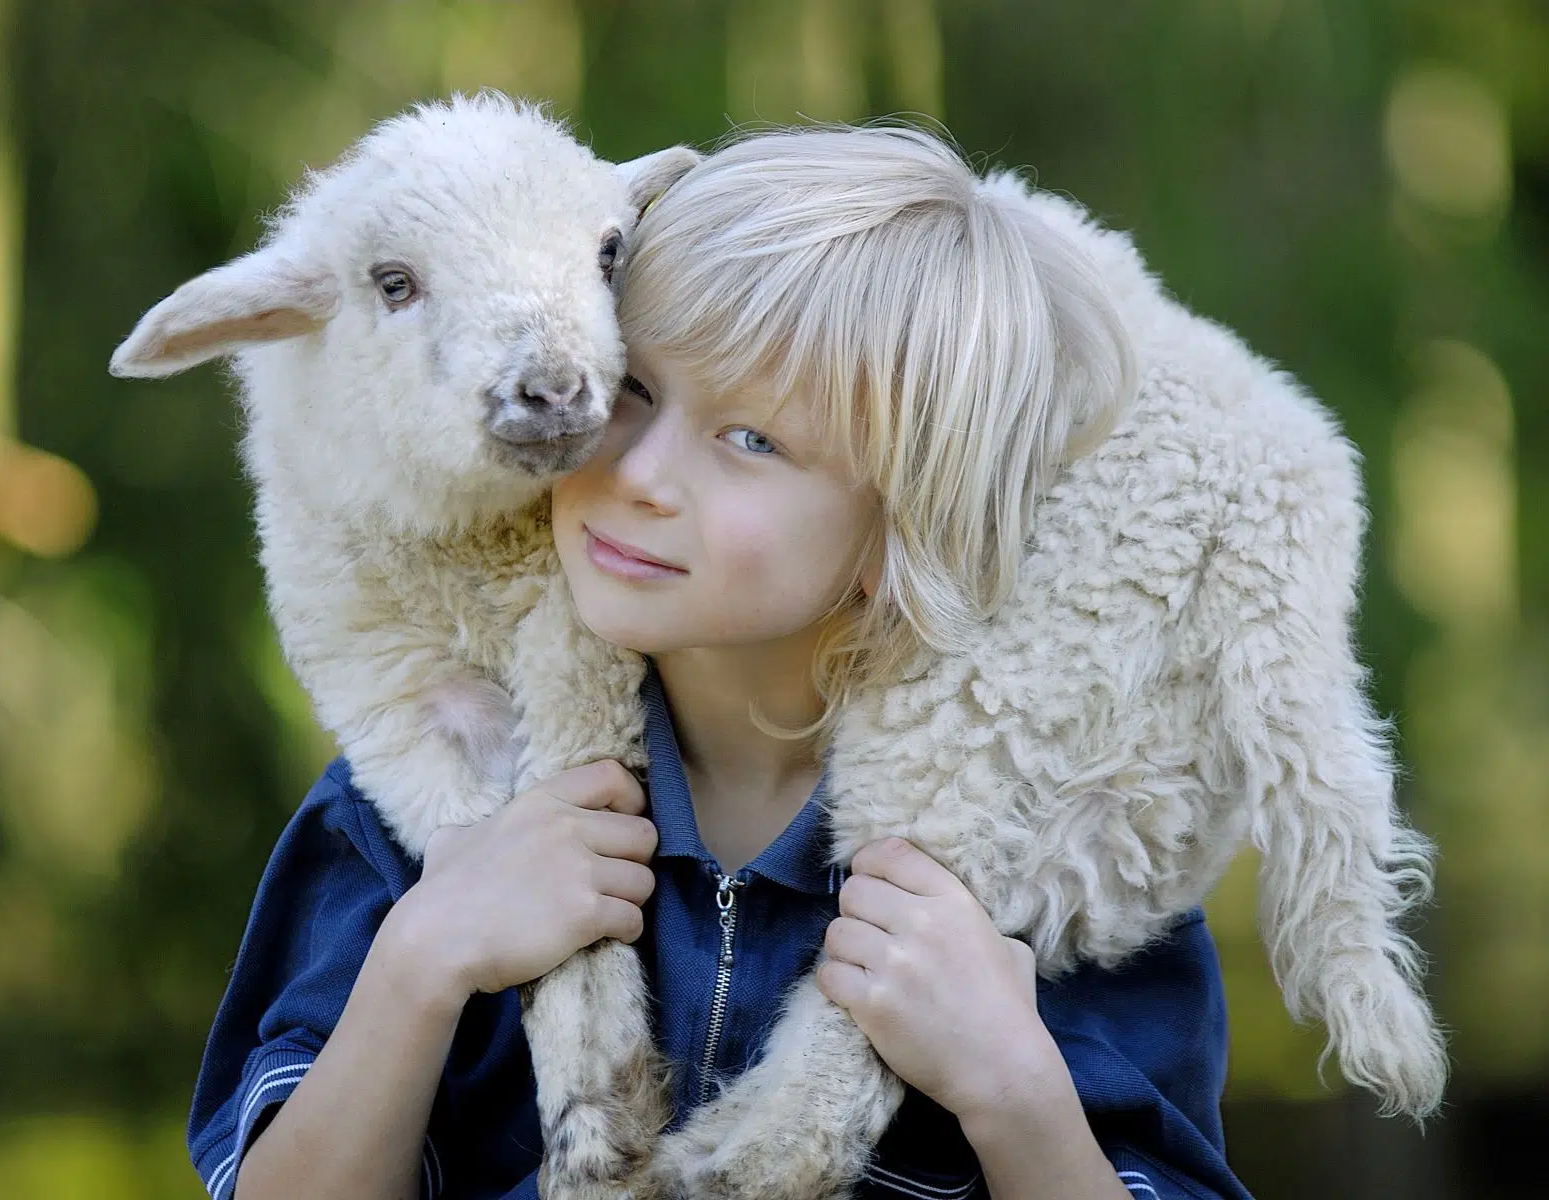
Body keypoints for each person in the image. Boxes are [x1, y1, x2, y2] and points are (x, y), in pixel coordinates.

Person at [188, 125, 1254, 1200]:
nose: (640, 473)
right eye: (636, 391)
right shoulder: (436, 803)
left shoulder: (1059, 866)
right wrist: (421, 962)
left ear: (905, 535)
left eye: (752, 440)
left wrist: (1012, 1086)